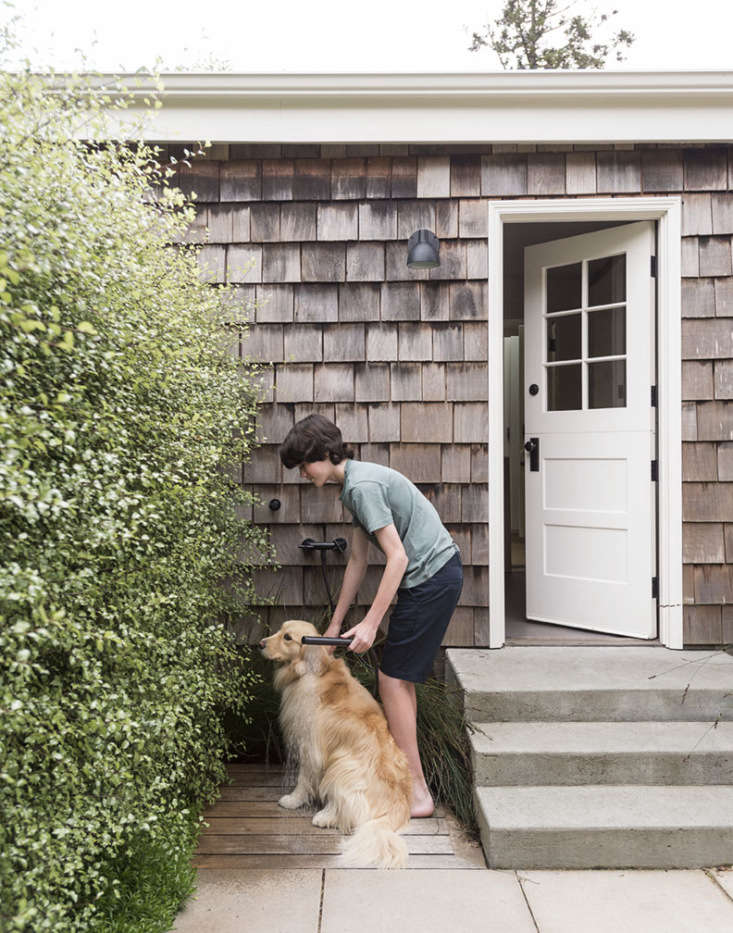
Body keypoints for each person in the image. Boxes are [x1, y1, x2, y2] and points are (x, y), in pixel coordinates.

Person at [279, 413, 463, 818]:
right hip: (434, 577)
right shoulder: (355, 485)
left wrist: (371, 622)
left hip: (431, 578)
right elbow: (358, 562)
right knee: (400, 680)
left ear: (326, 454)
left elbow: (397, 557)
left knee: (391, 679)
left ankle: (416, 794)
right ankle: (408, 784)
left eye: (305, 464)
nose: (303, 473)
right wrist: (335, 624)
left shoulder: (361, 487)